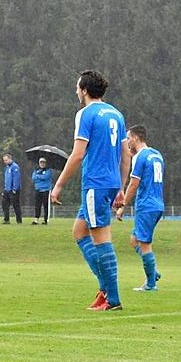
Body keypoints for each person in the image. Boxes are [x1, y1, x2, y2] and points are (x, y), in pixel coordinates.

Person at [50, 70, 129, 311]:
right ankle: (105, 289)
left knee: (101, 237)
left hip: (95, 183)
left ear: (84, 90)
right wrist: (121, 187)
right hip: (111, 183)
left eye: (77, 88)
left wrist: (58, 185)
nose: (76, 91)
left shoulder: (85, 114)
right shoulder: (116, 114)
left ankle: (112, 298)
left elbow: (77, 154)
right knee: (79, 231)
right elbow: (126, 154)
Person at [116, 125, 164, 292]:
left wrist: (122, 205)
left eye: (128, 138)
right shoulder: (156, 154)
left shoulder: (140, 157)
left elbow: (134, 184)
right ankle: (153, 271)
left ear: (135, 138)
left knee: (144, 244)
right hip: (158, 204)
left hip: (146, 205)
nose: (127, 141)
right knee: (134, 239)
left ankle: (150, 284)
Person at [1, 153, 22, 224]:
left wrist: (14, 189)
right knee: (4, 204)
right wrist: (5, 188)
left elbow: (16, 179)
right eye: (4, 160)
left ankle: (19, 220)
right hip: (7, 189)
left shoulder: (15, 167)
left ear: (10, 159)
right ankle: (6, 219)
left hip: (13, 190)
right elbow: (7, 179)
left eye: (6, 160)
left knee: (16, 205)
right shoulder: (7, 167)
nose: (5, 162)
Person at [31, 158, 52, 225]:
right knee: (37, 205)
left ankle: (45, 220)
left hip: (46, 190)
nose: (42, 164)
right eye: (41, 162)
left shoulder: (48, 170)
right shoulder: (36, 170)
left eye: (43, 162)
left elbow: (45, 177)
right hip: (38, 190)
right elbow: (33, 178)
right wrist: (40, 177)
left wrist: (38, 176)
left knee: (46, 205)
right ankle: (36, 219)